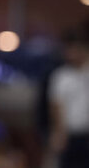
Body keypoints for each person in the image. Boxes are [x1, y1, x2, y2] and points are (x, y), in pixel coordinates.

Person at [48, 25, 89, 168]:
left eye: (75, 49)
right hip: (70, 135)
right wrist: (59, 131)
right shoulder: (61, 76)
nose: (71, 54)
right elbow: (56, 105)